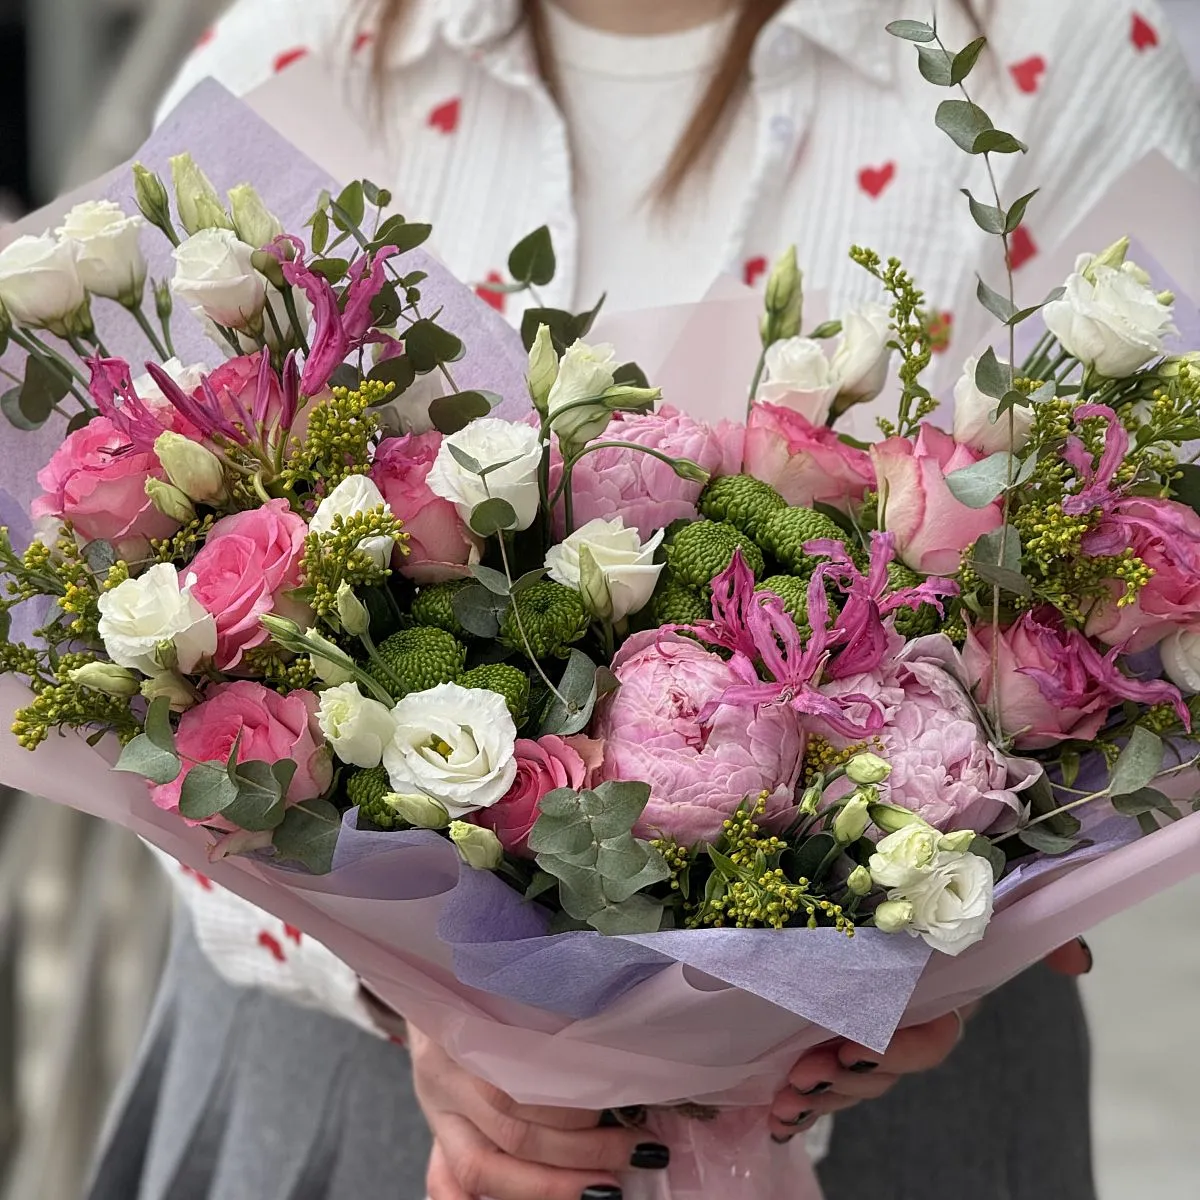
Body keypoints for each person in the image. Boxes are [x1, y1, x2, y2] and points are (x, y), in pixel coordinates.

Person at [88, 2, 1198, 1198]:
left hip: (908, 1109)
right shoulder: (296, 54)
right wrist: (403, 1002)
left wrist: (943, 961)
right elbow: (159, 669)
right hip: (360, 1101)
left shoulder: (1052, 48)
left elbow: (1131, 565)